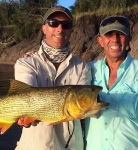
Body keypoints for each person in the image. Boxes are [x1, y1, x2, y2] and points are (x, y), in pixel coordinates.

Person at [85, 15, 138, 150]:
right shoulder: (87, 71)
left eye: (121, 34)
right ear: (100, 40)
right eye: (109, 34)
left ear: (129, 38)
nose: (115, 39)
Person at [14, 6, 91, 150]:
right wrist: (24, 115)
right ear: (44, 28)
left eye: (66, 25)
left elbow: (81, 110)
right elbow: (25, 94)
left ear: (71, 30)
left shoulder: (82, 67)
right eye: (53, 23)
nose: (60, 29)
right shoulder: (26, 62)